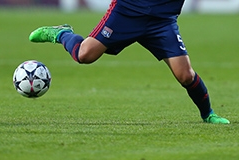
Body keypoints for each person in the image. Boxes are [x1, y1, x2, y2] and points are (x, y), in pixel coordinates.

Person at [29, 0, 230, 124]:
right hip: (127, 11)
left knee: (185, 74)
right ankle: (62, 33)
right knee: (85, 55)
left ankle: (208, 115)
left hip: (162, 21)